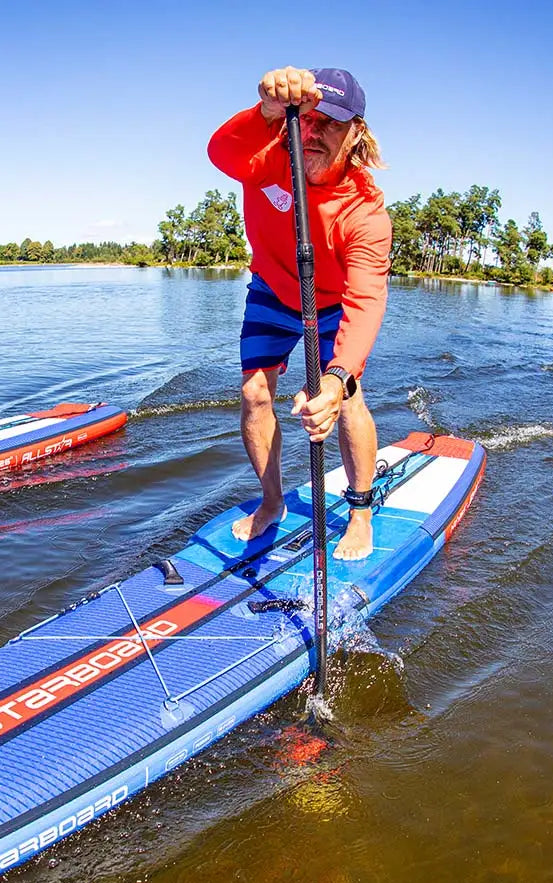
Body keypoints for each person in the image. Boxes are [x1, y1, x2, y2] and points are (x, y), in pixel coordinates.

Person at [208, 67, 392, 560]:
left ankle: (359, 512)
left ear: (356, 132)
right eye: (306, 118)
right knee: (254, 393)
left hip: (331, 302)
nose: (312, 133)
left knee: (347, 397)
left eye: (330, 123)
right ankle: (272, 503)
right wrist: (266, 110)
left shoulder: (366, 211)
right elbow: (220, 152)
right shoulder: (265, 156)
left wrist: (332, 383)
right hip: (272, 288)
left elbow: (367, 299)